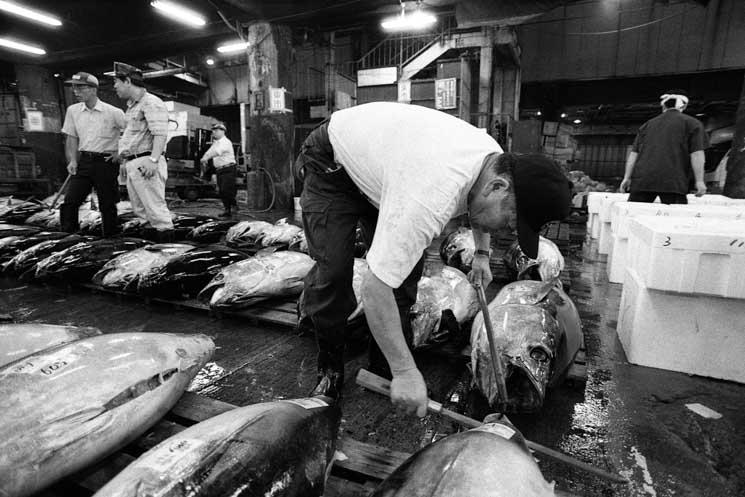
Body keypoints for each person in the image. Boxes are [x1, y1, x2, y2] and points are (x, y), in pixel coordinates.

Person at [294, 102, 572, 416]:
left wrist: (482, 254)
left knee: (404, 278)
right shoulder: (430, 193)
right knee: (335, 273)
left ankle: (382, 363)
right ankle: (330, 368)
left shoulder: (495, 161)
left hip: (389, 170)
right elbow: (375, 289)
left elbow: (482, 210)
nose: (506, 229)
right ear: (498, 186)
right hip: (333, 164)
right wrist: (406, 372)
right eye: (510, 220)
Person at [112, 62, 174, 242]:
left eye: (117, 82)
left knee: (156, 212)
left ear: (128, 81)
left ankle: (166, 254)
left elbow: (160, 134)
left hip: (146, 161)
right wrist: (125, 161)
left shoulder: (151, 103)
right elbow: (132, 137)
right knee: (142, 212)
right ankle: (151, 253)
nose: (115, 86)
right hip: (135, 163)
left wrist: (153, 160)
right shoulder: (132, 106)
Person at [60, 72, 125, 237]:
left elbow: (131, 134)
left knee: (107, 204)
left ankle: (110, 239)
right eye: (74, 87)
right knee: (70, 202)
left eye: (80, 87)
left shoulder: (113, 112)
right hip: (84, 161)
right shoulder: (73, 111)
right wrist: (72, 160)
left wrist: (120, 153)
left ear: (93, 89)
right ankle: (69, 238)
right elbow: (72, 137)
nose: (76, 91)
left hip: (106, 163)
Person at [620, 90, 707, 203]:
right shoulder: (693, 124)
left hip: (643, 181)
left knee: (633, 216)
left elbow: (634, 154)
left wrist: (627, 178)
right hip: (673, 182)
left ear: (663, 105)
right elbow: (697, 154)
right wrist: (699, 181)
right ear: (684, 106)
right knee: (672, 219)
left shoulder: (647, 125)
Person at [200, 123, 237, 217]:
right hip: (220, 170)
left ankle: (232, 206)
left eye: (216, 130)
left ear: (222, 131)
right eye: (213, 130)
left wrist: (206, 159)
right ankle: (228, 209)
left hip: (228, 168)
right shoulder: (216, 143)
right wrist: (204, 157)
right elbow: (210, 151)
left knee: (226, 189)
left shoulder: (225, 142)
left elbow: (216, 152)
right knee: (221, 190)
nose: (213, 132)